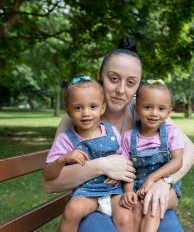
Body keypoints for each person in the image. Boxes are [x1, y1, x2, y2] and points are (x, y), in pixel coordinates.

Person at [43, 38, 194, 232]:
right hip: (94, 203)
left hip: (141, 199)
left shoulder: (144, 109)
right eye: (113, 79)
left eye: (131, 83)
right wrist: (101, 166)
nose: (121, 90)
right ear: (100, 76)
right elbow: (51, 184)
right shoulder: (77, 118)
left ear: (138, 87)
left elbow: (191, 152)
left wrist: (165, 182)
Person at [43, 76, 133, 231]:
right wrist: (63, 159)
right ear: (68, 110)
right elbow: (48, 175)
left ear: (102, 108)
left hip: (113, 191)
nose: (86, 113)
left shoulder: (112, 133)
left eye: (92, 106)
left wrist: (123, 183)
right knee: (72, 210)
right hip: (87, 193)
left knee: (125, 217)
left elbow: (125, 161)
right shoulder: (66, 139)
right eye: (78, 108)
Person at [119, 80, 184, 231]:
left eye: (161, 108)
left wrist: (152, 179)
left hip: (167, 189)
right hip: (137, 188)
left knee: (151, 205)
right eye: (147, 107)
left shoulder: (170, 133)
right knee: (134, 209)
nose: (154, 113)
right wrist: (128, 191)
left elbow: (177, 161)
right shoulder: (129, 137)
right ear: (137, 108)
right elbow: (127, 169)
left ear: (169, 112)